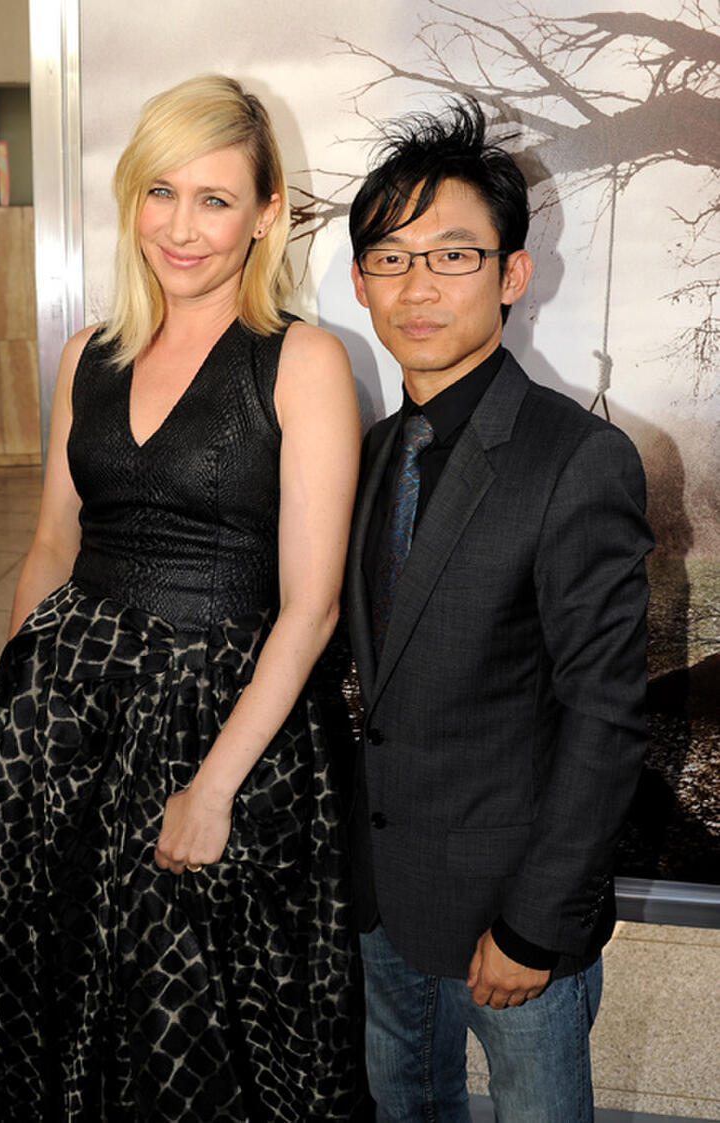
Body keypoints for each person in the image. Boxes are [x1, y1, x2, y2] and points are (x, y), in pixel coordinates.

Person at [0, 75, 362, 1122]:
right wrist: (18, 704)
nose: (181, 228)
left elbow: (310, 608)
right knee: (59, 981)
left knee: (196, 1020)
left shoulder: (305, 361)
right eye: (160, 193)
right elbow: (55, 537)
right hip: (66, 723)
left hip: (215, 719)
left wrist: (216, 786)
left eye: (216, 200)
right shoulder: (84, 356)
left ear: (268, 212)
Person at [345, 101, 652, 1122]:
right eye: (390, 258)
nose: (417, 286)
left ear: (513, 275)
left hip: (513, 918)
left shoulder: (575, 457)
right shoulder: (371, 451)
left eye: (453, 256)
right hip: (383, 902)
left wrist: (535, 924)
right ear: (357, 282)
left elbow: (606, 716)